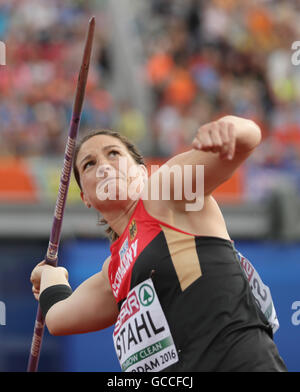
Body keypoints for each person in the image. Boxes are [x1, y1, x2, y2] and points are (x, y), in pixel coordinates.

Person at [30, 115, 287, 372]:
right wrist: (51, 274)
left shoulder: (166, 192)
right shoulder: (113, 271)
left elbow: (248, 139)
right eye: (89, 164)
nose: (104, 167)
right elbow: (57, 317)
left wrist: (229, 128)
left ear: (142, 171)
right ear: (85, 197)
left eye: (113, 154)